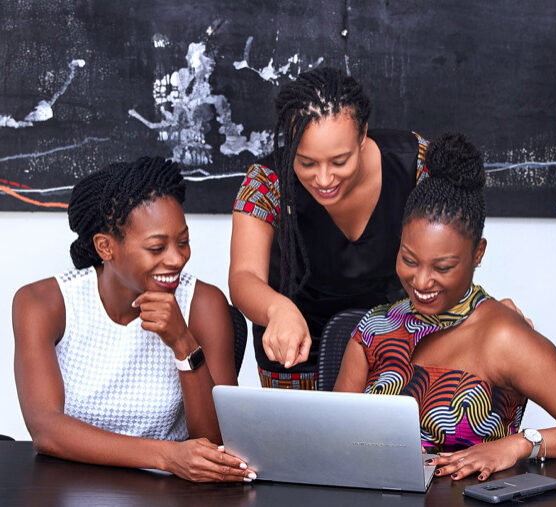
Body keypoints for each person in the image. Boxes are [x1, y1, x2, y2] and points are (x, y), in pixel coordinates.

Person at [334, 133, 556, 481]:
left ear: (478, 254)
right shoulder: (374, 329)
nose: (421, 280)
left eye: (443, 267)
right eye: (409, 259)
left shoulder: (502, 336)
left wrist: (520, 444)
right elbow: (335, 437)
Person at [230, 67, 527, 389]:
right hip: (294, 354)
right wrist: (276, 309)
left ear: (362, 137)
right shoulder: (266, 181)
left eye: (339, 161)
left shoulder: (416, 164)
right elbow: (243, 277)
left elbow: (451, 247)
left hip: (394, 348)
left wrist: (484, 312)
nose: (325, 179)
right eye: (306, 163)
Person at [13, 157, 255, 483]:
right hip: (68, 486)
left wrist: (183, 344)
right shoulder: (43, 304)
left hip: (169, 494)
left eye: (183, 242)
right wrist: (167, 456)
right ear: (106, 247)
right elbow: (46, 430)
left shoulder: (203, 303)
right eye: (156, 247)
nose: (176, 258)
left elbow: (217, 443)